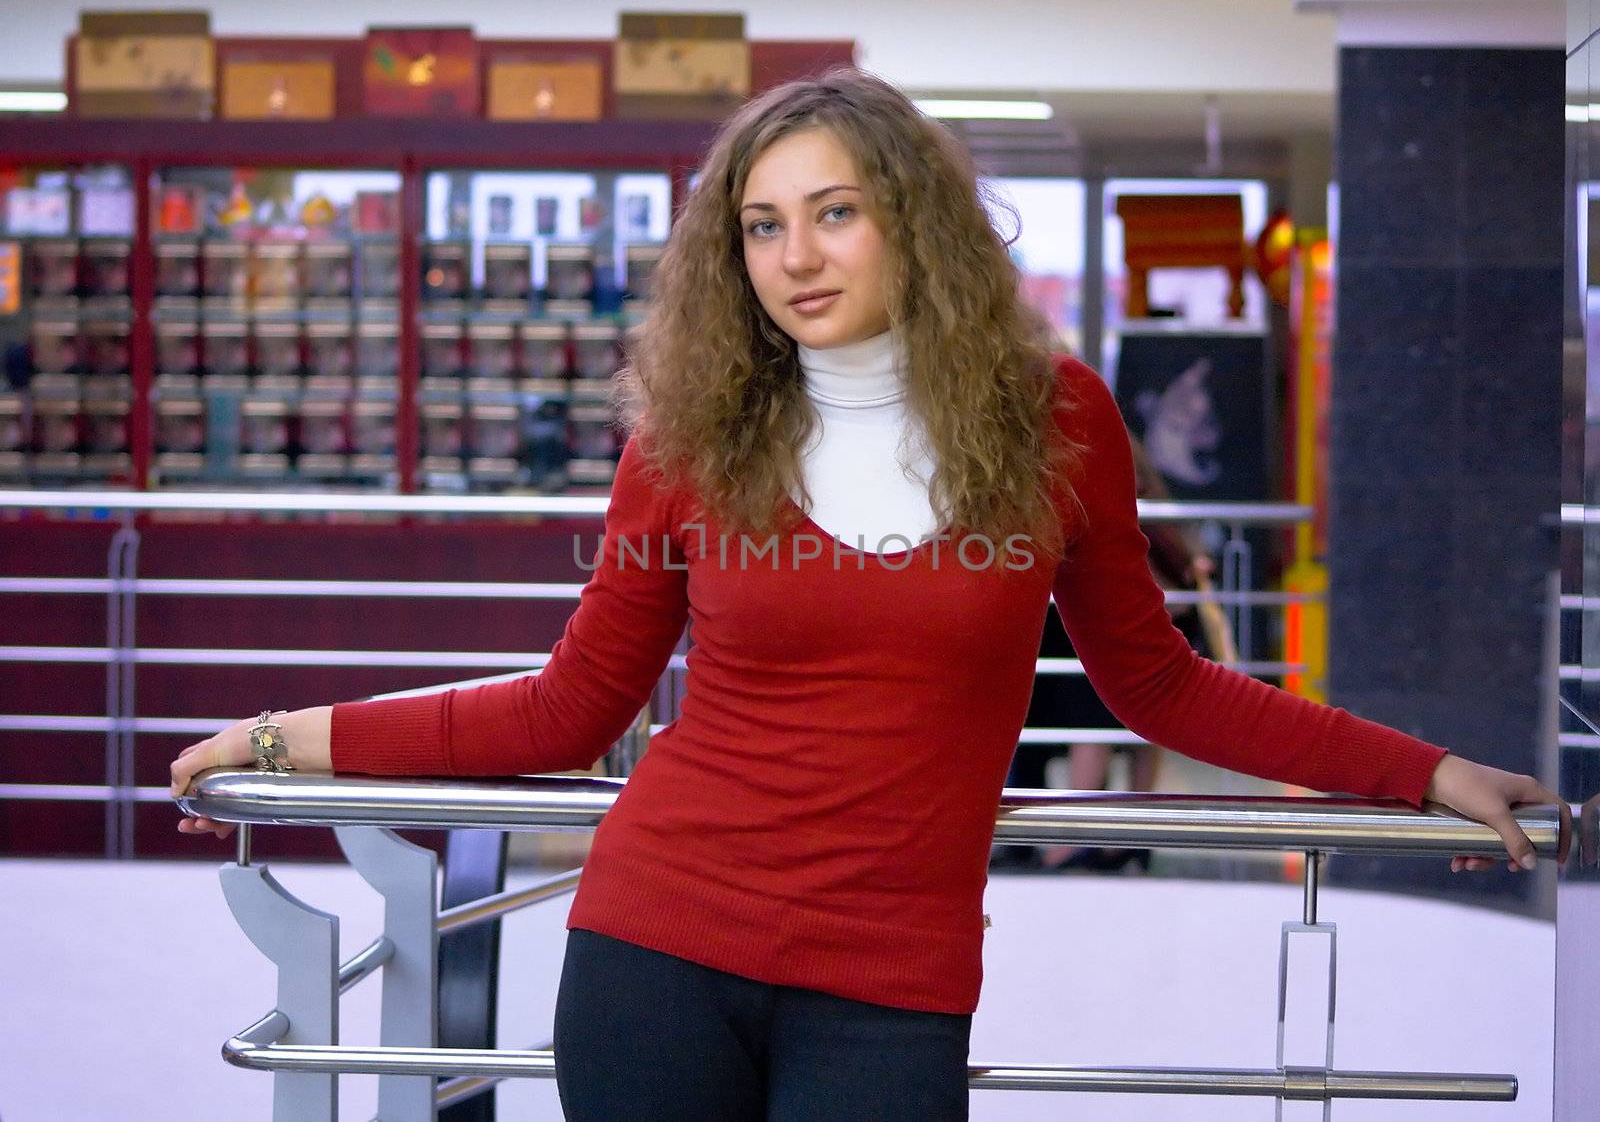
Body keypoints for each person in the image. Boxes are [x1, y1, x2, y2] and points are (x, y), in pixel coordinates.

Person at [171, 68, 1568, 1122]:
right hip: (654, 945)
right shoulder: (689, 437)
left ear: (913, 218)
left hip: (891, 979)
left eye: (835, 212)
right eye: (765, 226)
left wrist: (1426, 769)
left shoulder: (1058, 419)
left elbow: (1163, 685)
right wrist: (286, 739)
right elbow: (570, 702)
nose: (796, 258)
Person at [1003, 434, 1213, 873]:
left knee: (1093, 720)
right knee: (1136, 722)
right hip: (1129, 616)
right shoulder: (1136, 481)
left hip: (1092, 618)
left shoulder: (1079, 470)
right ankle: (1129, 835)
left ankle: (1074, 840)